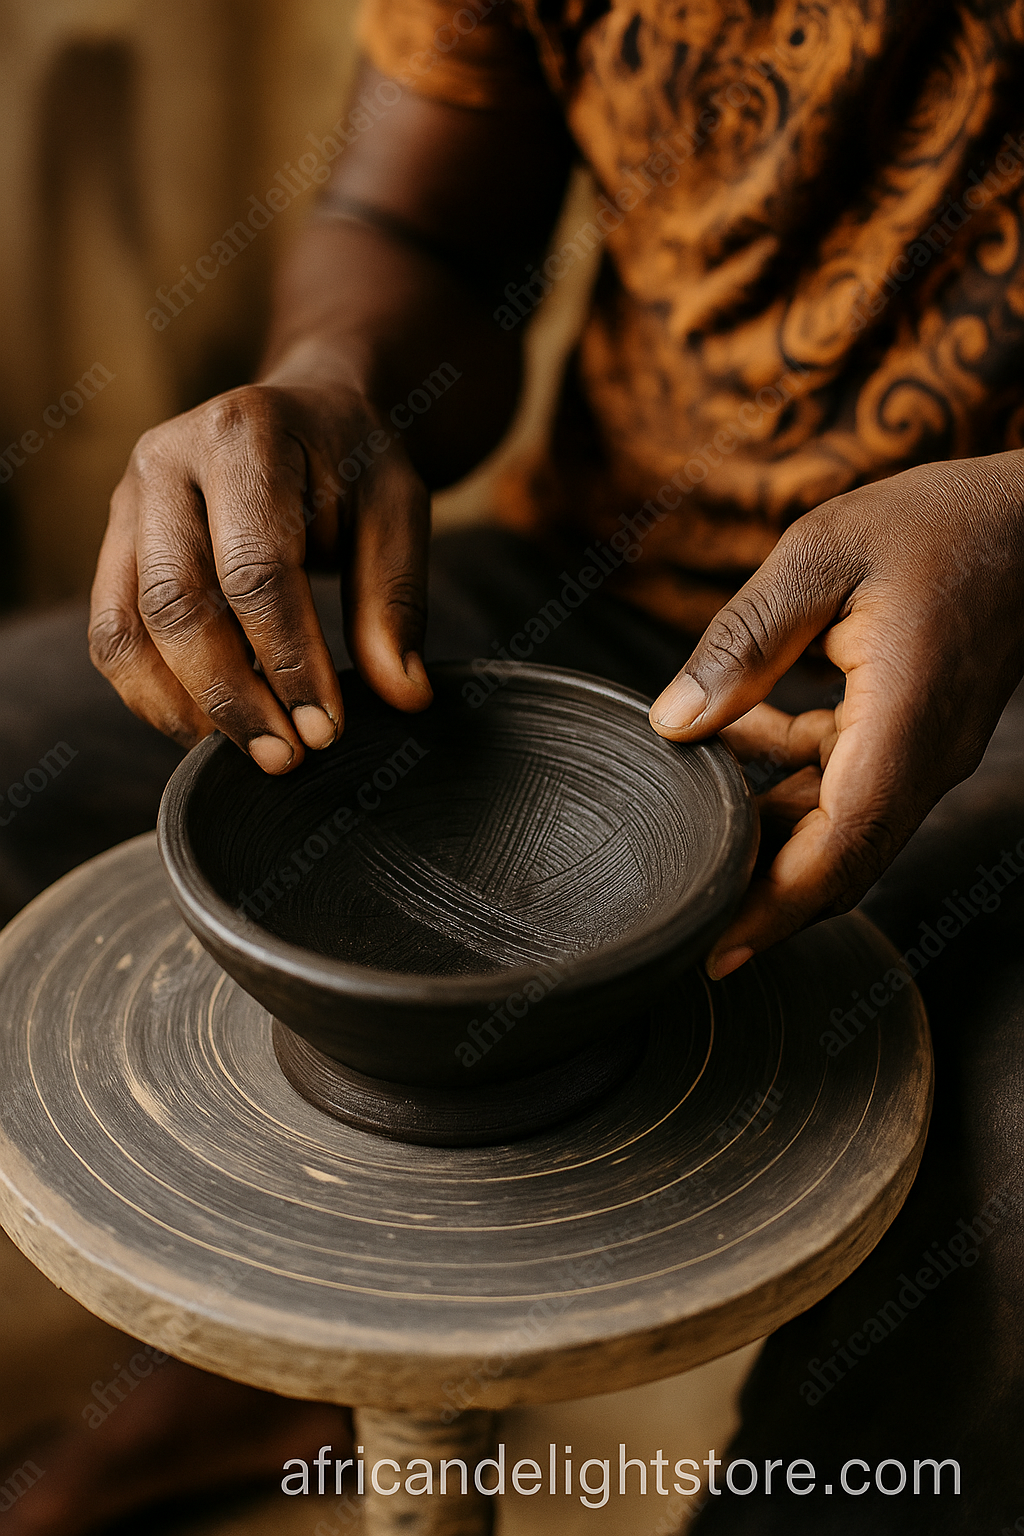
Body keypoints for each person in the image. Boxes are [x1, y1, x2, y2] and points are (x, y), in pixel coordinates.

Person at [2, 1, 1023, 1529]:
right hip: (617, 584)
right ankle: (306, 1342)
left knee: (1003, 1235)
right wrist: (336, 381)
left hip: (1006, 668)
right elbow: (413, 222)